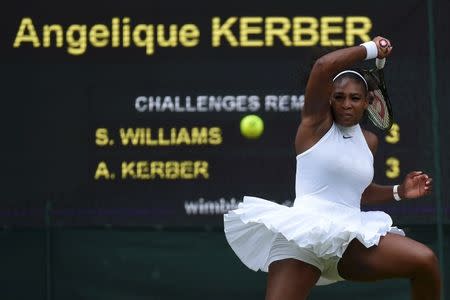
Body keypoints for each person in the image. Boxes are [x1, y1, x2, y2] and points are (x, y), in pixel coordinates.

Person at [223, 36, 441, 300]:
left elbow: (358, 193)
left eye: (354, 98)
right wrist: (371, 49)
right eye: (339, 97)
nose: (346, 104)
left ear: (367, 102)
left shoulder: (369, 141)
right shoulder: (314, 125)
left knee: (425, 261)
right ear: (329, 99)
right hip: (304, 239)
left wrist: (399, 191)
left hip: (350, 239)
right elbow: (323, 66)